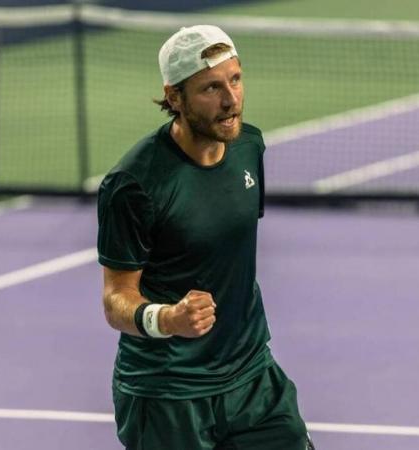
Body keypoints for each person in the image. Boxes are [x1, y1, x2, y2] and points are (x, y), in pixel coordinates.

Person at [97, 24, 315, 450]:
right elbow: (115, 300)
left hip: (252, 377)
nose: (231, 99)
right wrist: (167, 319)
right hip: (168, 393)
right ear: (174, 97)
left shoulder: (249, 147)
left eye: (235, 79)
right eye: (211, 88)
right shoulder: (134, 185)